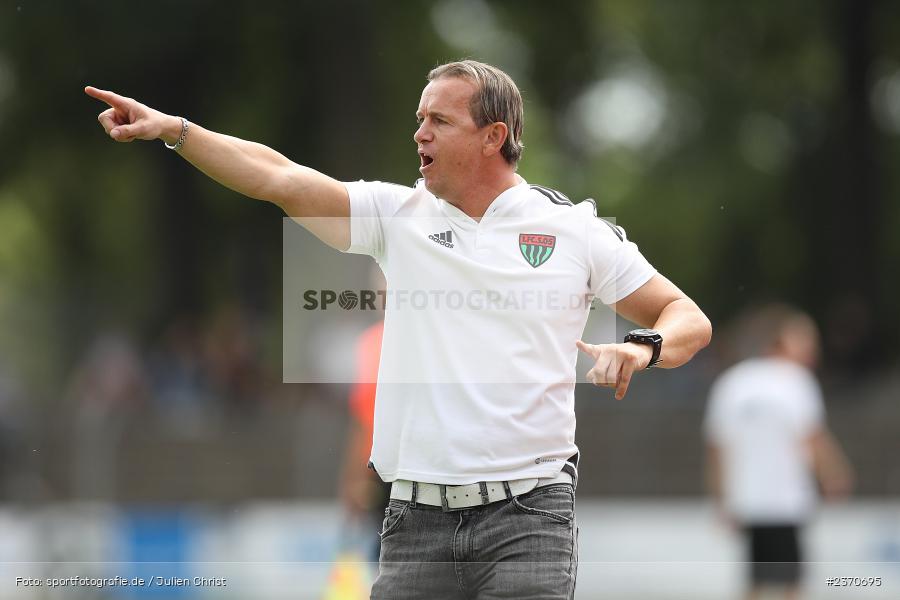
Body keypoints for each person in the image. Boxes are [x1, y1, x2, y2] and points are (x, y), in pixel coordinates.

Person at [86, 59, 712, 599]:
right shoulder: (398, 215)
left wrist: (642, 347)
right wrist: (176, 131)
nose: (420, 133)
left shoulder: (572, 230)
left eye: (439, 121)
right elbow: (277, 176)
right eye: (420, 118)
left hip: (530, 517)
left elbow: (686, 317)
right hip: (414, 522)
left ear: (494, 135)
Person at [704, 304, 853, 600]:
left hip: (749, 499)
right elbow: (813, 438)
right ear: (781, 341)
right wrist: (835, 474)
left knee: (756, 581)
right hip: (787, 501)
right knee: (792, 583)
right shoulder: (796, 381)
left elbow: (718, 448)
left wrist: (721, 497)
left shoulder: (733, 382)